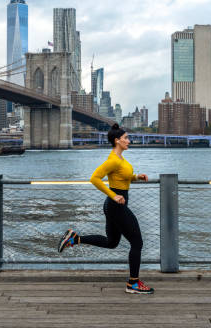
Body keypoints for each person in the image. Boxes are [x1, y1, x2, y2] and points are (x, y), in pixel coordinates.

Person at [58, 123, 154, 294]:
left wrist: (136, 177)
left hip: (114, 206)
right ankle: (133, 283)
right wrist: (114, 196)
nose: (129, 141)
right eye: (126, 138)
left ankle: (74, 239)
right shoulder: (113, 161)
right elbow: (94, 178)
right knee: (137, 242)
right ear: (117, 141)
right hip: (116, 205)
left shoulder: (120, 160)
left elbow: (122, 178)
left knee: (112, 242)